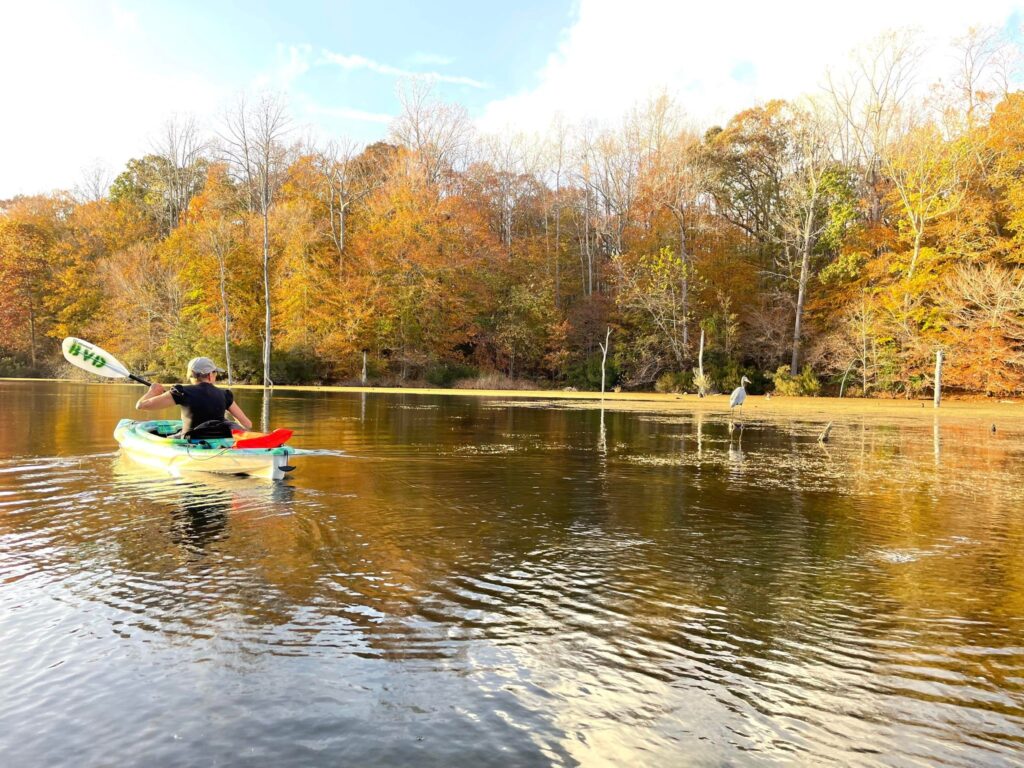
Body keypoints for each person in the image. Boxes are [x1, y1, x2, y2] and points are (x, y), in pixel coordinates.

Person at [136, 357, 252, 439]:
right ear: (210, 375)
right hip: (219, 440)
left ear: (191, 375)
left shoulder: (180, 392)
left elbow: (141, 406)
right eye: (215, 373)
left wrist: (153, 391)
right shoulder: (225, 394)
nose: (215, 376)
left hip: (190, 440)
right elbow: (247, 424)